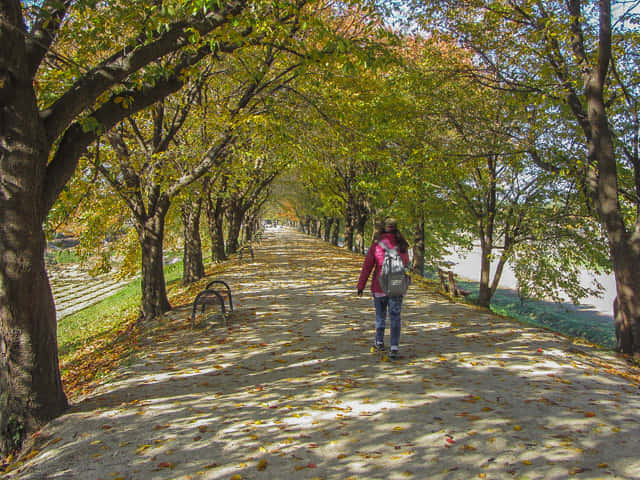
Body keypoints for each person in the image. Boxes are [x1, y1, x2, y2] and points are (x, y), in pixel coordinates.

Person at [357, 218, 410, 360]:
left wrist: (360, 286)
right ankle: (394, 348)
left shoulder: (376, 245)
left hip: (379, 286)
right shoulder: (402, 245)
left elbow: (367, 266)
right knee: (395, 317)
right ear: (396, 228)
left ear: (383, 228)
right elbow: (405, 262)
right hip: (396, 285)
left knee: (380, 316)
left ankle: (379, 342)